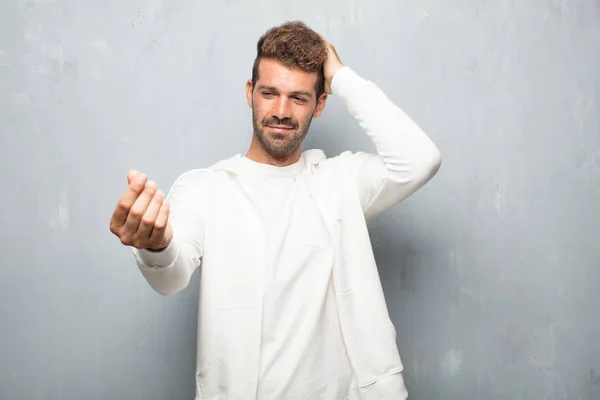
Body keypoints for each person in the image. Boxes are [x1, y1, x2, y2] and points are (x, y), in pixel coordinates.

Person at [110, 21, 441, 400]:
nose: (281, 111)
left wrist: (342, 77)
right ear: (250, 93)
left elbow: (420, 160)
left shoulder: (340, 183)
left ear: (320, 104)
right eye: (270, 93)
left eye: (299, 98)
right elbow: (169, 277)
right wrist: (156, 245)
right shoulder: (206, 188)